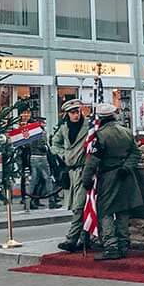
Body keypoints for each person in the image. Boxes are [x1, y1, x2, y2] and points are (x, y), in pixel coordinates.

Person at [82, 104, 144, 261]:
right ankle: (123, 245)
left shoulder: (100, 135)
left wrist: (86, 179)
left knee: (106, 211)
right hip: (126, 175)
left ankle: (111, 247)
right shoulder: (126, 132)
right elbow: (136, 153)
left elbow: (92, 161)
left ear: (100, 118)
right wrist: (126, 167)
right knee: (123, 211)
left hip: (108, 176)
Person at [50, 99, 90, 252]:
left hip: (85, 169)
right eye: (72, 113)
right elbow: (55, 143)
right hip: (71, 171)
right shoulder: (64, 128)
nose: (76, 115)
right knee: (76, 206)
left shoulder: (89, 126)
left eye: (77, 112)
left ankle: (71, 239)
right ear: (67, 114)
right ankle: (84, 239)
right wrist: (63, 155)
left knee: (79, 206)